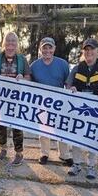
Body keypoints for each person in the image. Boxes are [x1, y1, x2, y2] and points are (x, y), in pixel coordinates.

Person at [65, 38, 98, 181]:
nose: (89, 52)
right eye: (86, 50)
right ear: (83, 51)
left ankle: (91, 166)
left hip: (97, 111)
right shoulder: (76, 68)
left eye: (92, 49)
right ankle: (76, 164)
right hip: (79, 110)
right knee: (76, 136)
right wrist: (71, 89)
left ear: (97, 51)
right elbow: (68, 86)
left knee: (93, 136)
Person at [29, 37, 71, 166]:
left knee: (62, 128)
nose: (47, 50)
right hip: (42, 102)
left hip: (60, 102)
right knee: (43, 129)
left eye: (50, 47)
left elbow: (68, 84)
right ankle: (44, 153)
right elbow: (29, 85)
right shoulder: (34, 65)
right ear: (40, 49)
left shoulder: (63, 64)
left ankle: (65, 155)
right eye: (44, 48)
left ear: (54, 48)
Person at [0, 32, 30, 165]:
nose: (10, 44)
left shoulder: (22, 59)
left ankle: (19, 153)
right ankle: (3, 149)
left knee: (17, 126)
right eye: (8, 41)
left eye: (13, 41)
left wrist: (23, 78)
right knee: (0, 125)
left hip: (16, 99)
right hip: (0, 98)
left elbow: (28, 77)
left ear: (17, 44)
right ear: (4, 43)